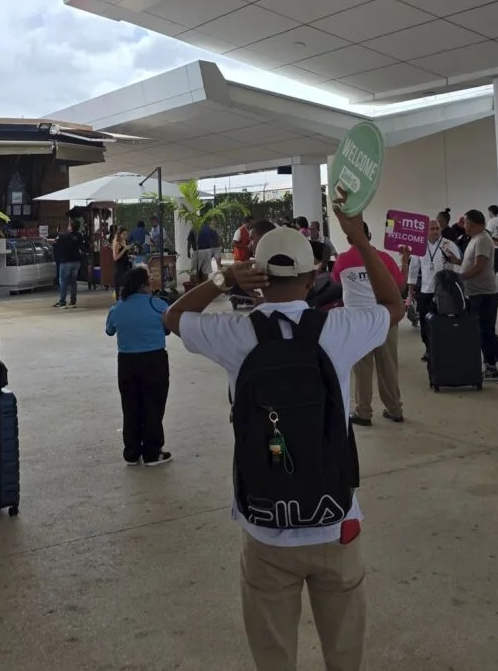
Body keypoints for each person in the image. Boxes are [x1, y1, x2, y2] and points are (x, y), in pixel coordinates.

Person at [163, 209, 404, 671]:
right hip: (337, 522)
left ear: (257, 275)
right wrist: (361, 241)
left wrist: (222, 279)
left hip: (266, 529)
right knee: (345, 652)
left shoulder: (236, 335)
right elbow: (394, 308)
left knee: (273, 656)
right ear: (314, 275)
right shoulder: (338, 329)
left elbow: (174, 316)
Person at [332, 222, 405, 426]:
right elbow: (399, 286)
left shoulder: (342, 260)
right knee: (388, 366)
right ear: (369, 235)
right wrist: (405, 265)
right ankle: (395, 409)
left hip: (357, 323)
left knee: (361, 369)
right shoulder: (385, 259)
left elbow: (336, 280)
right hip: (385, 319)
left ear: (348, 239)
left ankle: (363, 412)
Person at [105, 266, 172, 465]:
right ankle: (152, 452)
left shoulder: (117, 307)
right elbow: (168, 328)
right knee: (153, 405)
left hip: (126, 362)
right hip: (154, 360)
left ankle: (131, 452)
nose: (153, 283)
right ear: (143, 285)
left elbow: (109, 330)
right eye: (150, 280)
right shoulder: (158, 304)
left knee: (130, 405)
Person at [461, 210, 498, 383]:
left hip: (484, 294)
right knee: (481, 332)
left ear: (472, 223)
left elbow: (479, 267)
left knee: (486, 332)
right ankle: (490, 367)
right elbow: (472, 264)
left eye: (466, 223)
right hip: (474, 292)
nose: (464, 227)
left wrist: (460, 277)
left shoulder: (483, 239)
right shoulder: (475, 239)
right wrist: (457, 263)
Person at [407, 218, 462, 360]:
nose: (435, 231)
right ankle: (428, 348)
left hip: (445, 290)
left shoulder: (448, 244)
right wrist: (410, 290)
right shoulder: (419, 246)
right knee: (425, 322)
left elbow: (457, 267)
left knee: (445, 321)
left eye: (437, 228)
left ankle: (446, 348)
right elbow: (413, 269)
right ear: (425, 231)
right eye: (432, 229)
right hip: (426, 290)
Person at [53, 220, 84, 309]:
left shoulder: (64, 236)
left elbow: (55, 241)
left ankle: (62, 302)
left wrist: (46, 239)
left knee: (63, 282)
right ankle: (73, 302)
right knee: (73, 282)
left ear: (71, 226)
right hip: (76, 262)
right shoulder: (79, 236)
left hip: (66, 262)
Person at [112, 226, 132, 299]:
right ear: (119, 234)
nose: (125, 236)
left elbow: (124, 255)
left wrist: (129, 256)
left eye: (126, 234)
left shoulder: (125, 241)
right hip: (119, 267)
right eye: (124, 234)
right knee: (120, 287)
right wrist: (124, 249)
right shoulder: (116, 243)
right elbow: (115, 257)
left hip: (126, 266)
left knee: (126, 285)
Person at [486, 205, 498, 272]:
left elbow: (488, 235)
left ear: (490, 212)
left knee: (495, 269)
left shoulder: (491, 222)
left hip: (494, 248)